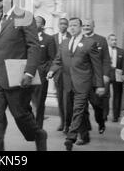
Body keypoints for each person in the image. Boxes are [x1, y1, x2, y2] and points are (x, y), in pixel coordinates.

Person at [0, 0, 46, 151]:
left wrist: (29, 72)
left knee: (20, 115)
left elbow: (34, 46)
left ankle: (38, 134)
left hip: (16, 77)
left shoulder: (24, 16)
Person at [48, 18, 104, 151]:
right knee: (77, 111)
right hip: (68, 83)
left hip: (83, 83)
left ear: (80, 28)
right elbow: (58, 60)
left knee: (78, 109)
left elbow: (97, 66)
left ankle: (70, 137)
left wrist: (100, 85)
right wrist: (52, 70)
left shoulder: (90, 43)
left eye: (75, 25)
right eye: (70, 26)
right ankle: (84, 135)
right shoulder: (64, 43)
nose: (72, 28)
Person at [82, 19, 111, 134]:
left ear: (94, 26)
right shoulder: (79, 39)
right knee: (82, 106)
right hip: (82, 79)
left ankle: (101, 122)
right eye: (84, 25)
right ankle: (85, 128)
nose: (86, 27)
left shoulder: (101, 40)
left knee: (97, 105)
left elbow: (106, 59)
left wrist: (105, 75)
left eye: (88, 25)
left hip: (96, 78)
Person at [31, 16, 57, 128]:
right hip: (28, 74)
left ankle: (38, 126)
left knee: (40, 101)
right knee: (27, 99)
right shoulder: (28, 38)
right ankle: (30, 124)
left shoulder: (49, 39)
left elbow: (52, 58)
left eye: (36, 22)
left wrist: (46, 71)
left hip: (41, 75)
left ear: (42, 25)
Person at [52, 18, 70, 132]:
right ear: (58, 25)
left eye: (65, 24)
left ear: (67, 26)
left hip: (69, 73)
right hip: (57, 73)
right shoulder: (52, 38)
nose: (63, 25)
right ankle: (62, 122)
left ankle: (68, 124)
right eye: (61, 23)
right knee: (59, 98)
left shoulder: (71, 37)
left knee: (67, 100)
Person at [107, 34, 124, 122]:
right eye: (112, 40)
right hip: (106, 73)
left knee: (117, 95)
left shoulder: (121, 51)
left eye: (115, 40)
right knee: (105, 95)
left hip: (117, 74)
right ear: (108, 41)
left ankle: (116, 116)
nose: (114, 41)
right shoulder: (104, 51)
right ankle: (104, 114)